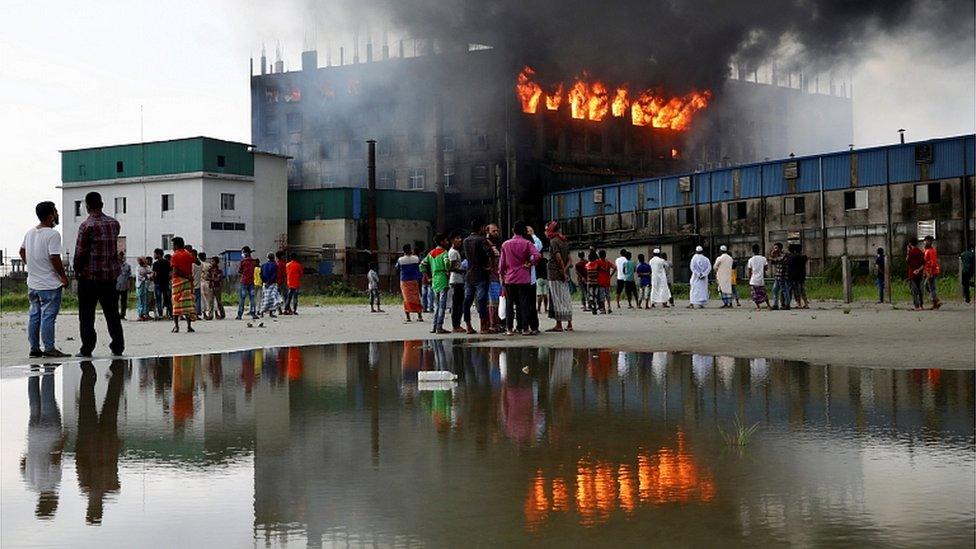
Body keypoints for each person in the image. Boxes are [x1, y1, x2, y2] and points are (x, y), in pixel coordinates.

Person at [72, 192, 124, 357]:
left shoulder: (87, 226)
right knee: (112, 313)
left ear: (87, 207)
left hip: (89, 277)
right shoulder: (114, 223)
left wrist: (77, 270)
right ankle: (117, 346)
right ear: (102, 204)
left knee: (87, 315)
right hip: (109, 277)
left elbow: (80, 253)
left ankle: (87, 348)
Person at [20, 201, 70, 358]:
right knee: (48, 316)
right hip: (49, 283)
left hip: (33, 282)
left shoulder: (30, 233)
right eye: (55, 211)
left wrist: (32, 265)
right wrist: (63, 276)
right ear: (50, 216)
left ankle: (34, 348)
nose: (57, 214)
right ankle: (49, 347)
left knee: (34, 315)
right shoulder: (53, 234)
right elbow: (54, 257)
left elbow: (22, 251)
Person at [498, 220, 541, 335]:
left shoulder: (505, 244)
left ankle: (509, 329)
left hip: (510, 278)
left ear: (513, 230)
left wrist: (501, 275)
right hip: (524, 277)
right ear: (524, 231)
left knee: (510, 303)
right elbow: (537, 255)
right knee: (524, 303)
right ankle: (525, 328)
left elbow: (502, 263)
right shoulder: (527, 243)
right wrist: (530, 263)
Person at [462, 221, 492, 334]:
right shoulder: (482, 240)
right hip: (481, 274)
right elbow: (490, 253)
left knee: (467, 300)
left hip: (469, 274)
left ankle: (468, 326)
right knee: (482, 300)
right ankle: (483, 326)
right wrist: (489, 266)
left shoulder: (465, 241)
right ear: (481, 228)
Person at [544, 221, 574, 332]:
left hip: (554, 273)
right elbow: (570, 260)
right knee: (565, 297)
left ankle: (559, 324)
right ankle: (570, 324)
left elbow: (558, 258)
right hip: (563, 273)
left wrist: (562, 271)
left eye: (547, 230)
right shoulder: (564, 240)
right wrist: (565, 271)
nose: (545, 232)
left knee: (556, 298)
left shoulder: (553, 241)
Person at [421, 233, 453, 334]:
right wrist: (448, 270)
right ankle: (439, 326)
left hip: (434, 280)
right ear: (442, 242)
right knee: (442, 305)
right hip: (443, 279)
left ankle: (434, 326)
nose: (447, 242)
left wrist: (428, 277)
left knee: (436, 305)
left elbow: (422, 265)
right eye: (446, 241)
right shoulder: (444, 252)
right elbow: (447, 263)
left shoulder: (430, 253)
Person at [169, 237, 196, 333]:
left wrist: (185, 276)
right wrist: (188, 277)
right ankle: (189, 326)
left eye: (173, 245)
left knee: (176, 304)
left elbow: (175, 270)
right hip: (187, 282)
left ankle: (176, 326)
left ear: (176, 245)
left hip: (177, 282)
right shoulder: (188, 254)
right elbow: (196, 261)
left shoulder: (175, 256)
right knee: (187, 303)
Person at [396, 244, 424, 322]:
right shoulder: (416, 258)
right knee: (416, 297)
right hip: (414, 280)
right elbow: (420, 267)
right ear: (410, 250)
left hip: (404, 280)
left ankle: (408, 317)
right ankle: (419, 315)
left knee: (406, 298)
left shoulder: (400, 260)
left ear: (403, 251)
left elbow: (397, 269)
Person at [486, 225, 504, 333]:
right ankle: (493, 324)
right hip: (492, 276)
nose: (496, 233)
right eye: (494, 231)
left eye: (497, 230)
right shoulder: (487, 244)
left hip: (498, 276)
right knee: (493, 302)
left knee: (498, 301)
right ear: (487, 231)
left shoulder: (497, 244)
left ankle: (497, 322)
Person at [447, 232, 466, 331]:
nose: (460, 240)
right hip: (456, 280)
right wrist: (464, 270)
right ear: (452, 240)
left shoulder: (456, 251)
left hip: (459, 280)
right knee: (456, 304)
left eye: (460, 238)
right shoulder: (453, 252)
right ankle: (456, 325)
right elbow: (452, 268)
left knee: (459, 304)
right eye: (457, 238)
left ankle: (457, 324)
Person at [747, 244, 773, 311]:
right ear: (759, 250)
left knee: (754, 295)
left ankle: (758, 307)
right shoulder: (763, 258)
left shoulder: (751, 260)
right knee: (764, 293)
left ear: (752, 251)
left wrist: (749, 279)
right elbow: (766, 268)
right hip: (761, 280)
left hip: (753, 280)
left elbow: (749, 271)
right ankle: (768, 306)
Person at [236, 246, 258, 320]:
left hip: (244, 282)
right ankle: (253, 313)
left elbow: (239, 271)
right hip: (251, 282)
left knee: (242, 298)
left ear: (245, 253)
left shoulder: (243, 262)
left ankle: (240, 314)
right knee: (252, 298)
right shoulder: (253, 261)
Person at [768, 242, 791, 310]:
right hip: (777, 276)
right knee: (775, 290)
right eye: (774, 248)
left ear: (780, 248)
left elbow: (778, 260)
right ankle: (775, 305)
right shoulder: (777, 255)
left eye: (776, 248)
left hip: (782, 276)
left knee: (784, 290)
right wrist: (772, 255)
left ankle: (787, 305)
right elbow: (772, 262)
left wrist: (772, 257)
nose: (775, 249)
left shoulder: (784, 255)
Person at [906, 237, 926, 310]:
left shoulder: (911, 252)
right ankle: (921, 305)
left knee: (914, 290)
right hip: (920, 273)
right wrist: (919, 269)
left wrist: (908, 251)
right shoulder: (920, 252)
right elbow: (924, 263)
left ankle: (916, 305)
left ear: (910, 243)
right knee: (920, 290)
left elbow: (907, 260)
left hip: (912, 273)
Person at [151, 248, 172, 319]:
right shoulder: (167, 262)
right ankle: (171, 314)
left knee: (158, 299)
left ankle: (160, 314)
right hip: (166, 282)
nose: (154, 255)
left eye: (155, 254)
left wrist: (153, 279)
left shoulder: (155, 264)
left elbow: (155, 274)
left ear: (158, 254)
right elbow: (170, 273)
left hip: (158, 283)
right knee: (167, 298)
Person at [203, 255, 225, 319]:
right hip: (211, 286)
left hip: (217, 287)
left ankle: (222, 314)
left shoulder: (219, 270)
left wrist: (211, 278)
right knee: (210, 301)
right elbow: (206, 277)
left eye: (212, 261)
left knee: (219, 302)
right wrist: (213, 278)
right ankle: (210, 315)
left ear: (216, 262)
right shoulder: (210, 270)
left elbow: (218, 278)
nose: (211, 262)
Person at [788, 244, 809, 309]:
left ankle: (799, 304)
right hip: (802, 276)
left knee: (796, 291)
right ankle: (806, 303)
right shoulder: (803, 257)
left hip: (794, 277)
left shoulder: (791, 257)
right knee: (802, 290)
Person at [923, 235, 941, 309]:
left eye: (928, 241)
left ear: (931, 242)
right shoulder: (925, 250)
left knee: (931, 286)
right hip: (927, 271)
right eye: (926, 240)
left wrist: (929, 272)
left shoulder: (931, 251)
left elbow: (933, 262)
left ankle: (935, 301)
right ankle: (935, 300)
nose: (926, 242)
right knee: (928, 286)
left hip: (931, 271)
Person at [260, 252, 281, 318]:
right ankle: (271, 313)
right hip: (272, 284)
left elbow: (261, 274)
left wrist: (264, 282)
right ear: (273, 258)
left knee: (264, 298)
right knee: (272, 298)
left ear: (267, 258)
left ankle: (262, 312)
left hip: (265, 284)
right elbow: (274, 275)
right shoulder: (275, 265)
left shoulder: (263, 265)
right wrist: (269, 282)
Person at [114, 252, 131, 320]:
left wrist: (129, 286)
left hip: (124, 286)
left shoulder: (127, 266)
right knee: (115, 301)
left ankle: (122, 315)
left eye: (120, 256)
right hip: (116, 286)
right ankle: (116, 315)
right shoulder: (114, 265)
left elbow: (129, 277)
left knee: (124, 302)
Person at [135, 257, 152, 321]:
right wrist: (147, 276)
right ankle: (140, 314)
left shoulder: (147, 267)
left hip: (146, 285)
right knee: (140, 300)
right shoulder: (138, 268)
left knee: (146, 300)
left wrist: (147, 275)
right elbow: (140, 277)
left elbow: (151, 273)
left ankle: (145, 314)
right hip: (140, 285)